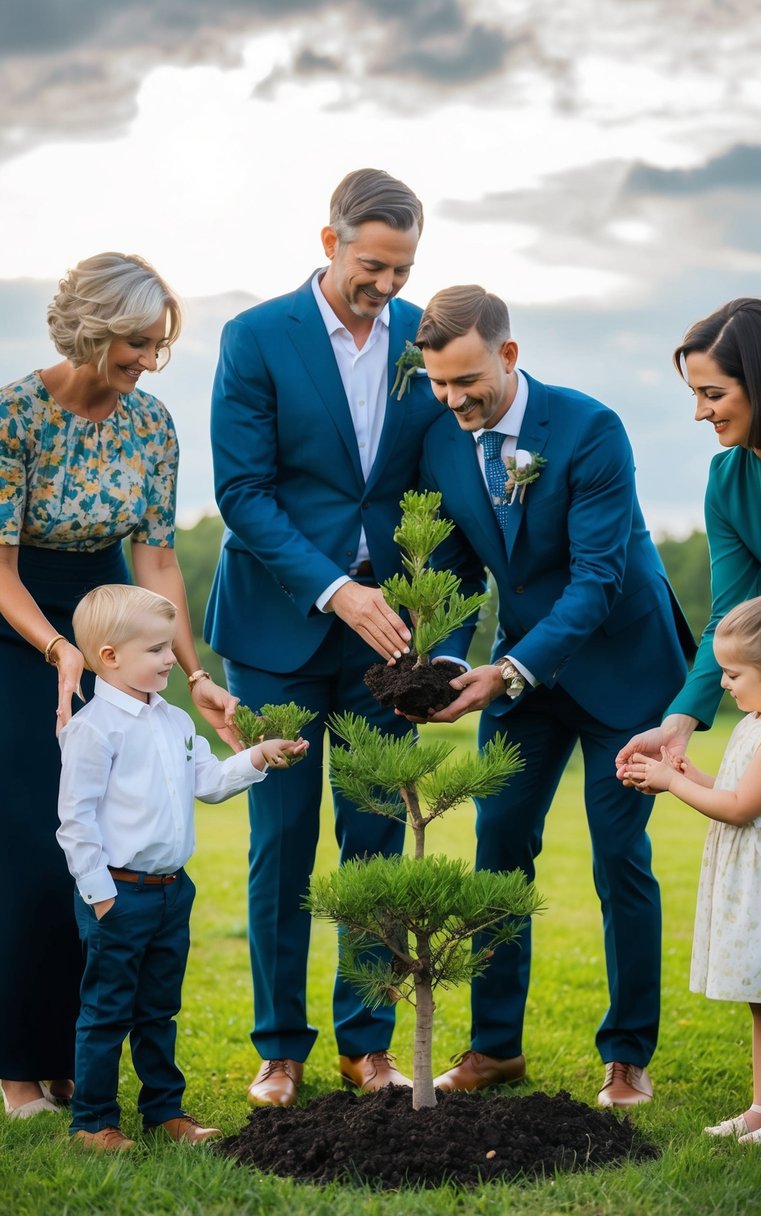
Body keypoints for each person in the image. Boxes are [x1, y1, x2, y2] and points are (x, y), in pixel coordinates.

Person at [410, 285, 695, 1106]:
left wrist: (508, 669)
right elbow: (462, 566)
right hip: (523, 677)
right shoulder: (441, 440)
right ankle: (494, 1048)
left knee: (617, 859)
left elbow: (598, 579)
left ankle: (626, 1055)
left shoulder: (589, 428)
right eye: (438, 384)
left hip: (621, 670)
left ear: (508, 354)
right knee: (496, 842)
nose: (455, 400)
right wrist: (445, 661)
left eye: (468, 381)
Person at [206, 168, 443, 1106]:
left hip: (388, 638)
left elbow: (439, 479)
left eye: (402, 268)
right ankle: (279, 1049)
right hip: (276, 628)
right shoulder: (255, 337)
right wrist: (334, 589)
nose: (385, 286)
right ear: (329, 240)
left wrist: (429, 617)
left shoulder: (423, 335)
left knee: (377, 838)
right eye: (372, 266)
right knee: (281, 841)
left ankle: (367, 1046)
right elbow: (242, 494)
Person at [0, 253, 238, 1121]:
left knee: (112, 829)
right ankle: (19, 1073)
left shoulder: (151, 425)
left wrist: (192, 673)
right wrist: (60, 649)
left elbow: (160, 560)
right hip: (20, 626)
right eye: (136, 342)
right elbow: (0, 567)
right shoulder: (14, 416)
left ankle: (73, 1062)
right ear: (92, 331)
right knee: (38, 845)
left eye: (157, 344)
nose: (148, 358)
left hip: (115, 620)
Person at [614, 297, 761, 1042]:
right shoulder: (727, 480)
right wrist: (677, 723)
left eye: (713, 394)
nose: (701, 414)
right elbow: (729, 621)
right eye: (694, 395)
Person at [56, 584, 308, 1152]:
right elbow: (76, 821)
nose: (173, 659)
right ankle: (93, 1122)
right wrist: (99, 895)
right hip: (118, 893)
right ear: (110, 657)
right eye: (157, 650)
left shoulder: (173, 721)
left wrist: (258, 756)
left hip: (172, 893)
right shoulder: (94, 730)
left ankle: (164, 1111)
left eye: (170, 647)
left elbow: (209, 784)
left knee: (159, 1010)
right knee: (106, 1012)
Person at [626, 593, 761, 1145]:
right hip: (756, 880)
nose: (724, 684)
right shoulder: (760, 720)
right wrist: (693, 772)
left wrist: (673, 784)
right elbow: (739, 791)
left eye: (733, 673)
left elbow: (742, 809)